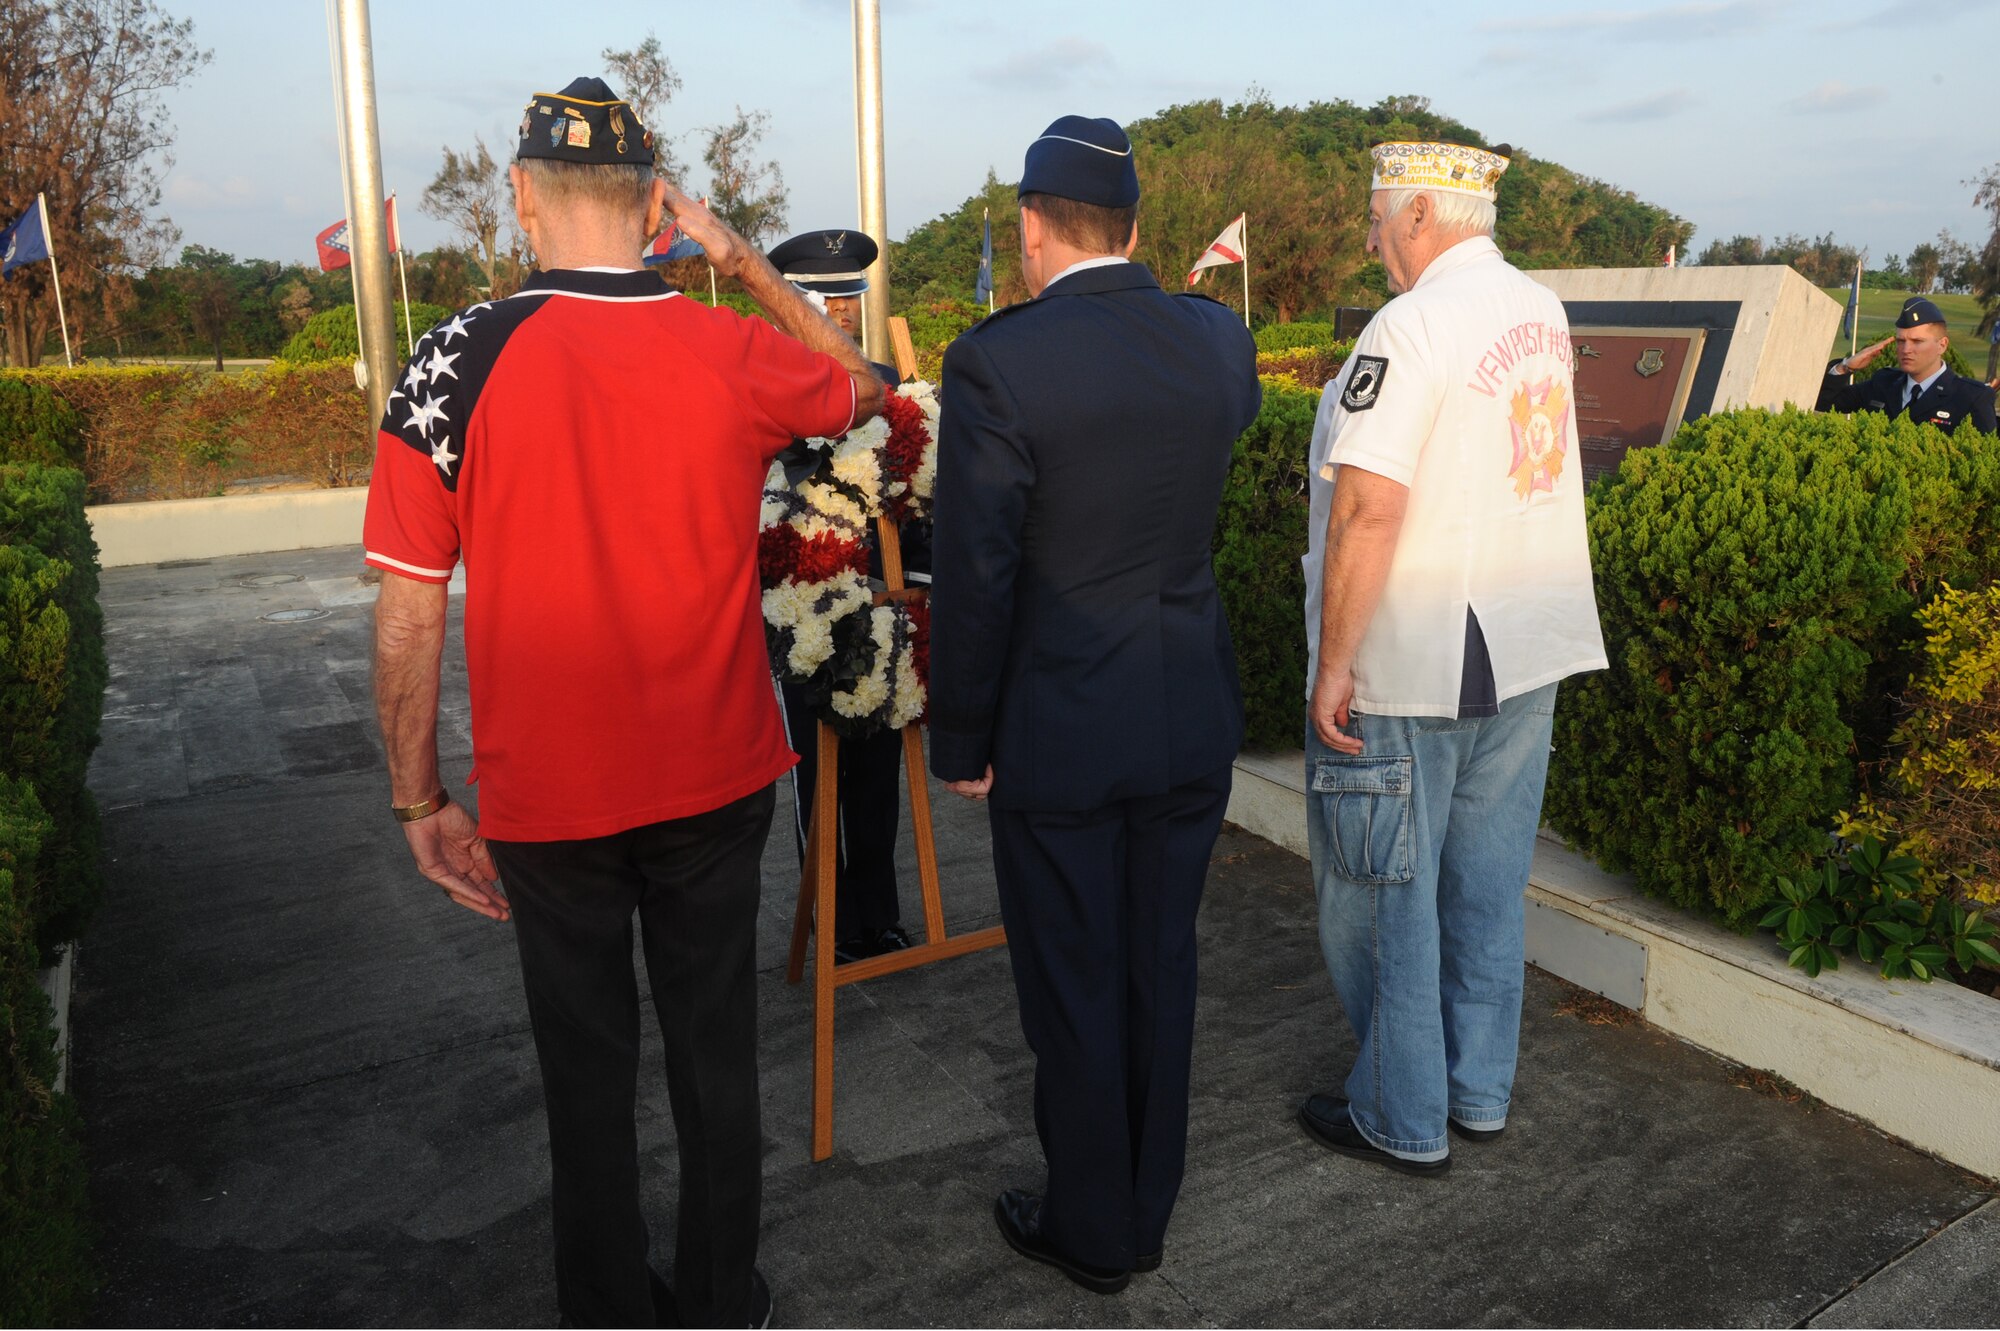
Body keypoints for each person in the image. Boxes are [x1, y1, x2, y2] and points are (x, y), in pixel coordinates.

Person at [364, 76, 884, 1329]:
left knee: (583, 1080)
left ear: (519, 194)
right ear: (655, 203)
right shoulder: (730, 345)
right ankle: (717, 1301)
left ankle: (602, 1305)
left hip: (551, 800)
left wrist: (417, 793)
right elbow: (862, 382)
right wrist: (738, 257)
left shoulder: (454, 360)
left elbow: (408, 605)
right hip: (714, 779)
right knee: (715, 1065)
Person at [927, 114, 1261, 1294]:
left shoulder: (998, 362)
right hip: (1185, 711)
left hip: (1059, 727)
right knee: (1156, 967)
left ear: (1030, 230)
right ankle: (1143, 1208)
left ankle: (1091, 1224)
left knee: (1072, 978)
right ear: (1132, 225)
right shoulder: (1218, 344)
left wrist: (957, 736)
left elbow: (975, 573)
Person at [1298, 141, 1607, 1176]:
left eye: (1378, 215)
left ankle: (1401, 1109)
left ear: (1421, 214)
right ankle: (1473, 1089)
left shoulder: (1411, 322)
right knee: (1481, 887)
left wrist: (1332, 662)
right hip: (1526, 647)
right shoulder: (1538, 309)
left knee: (1378, 888)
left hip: (1418, 656)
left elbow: (1367, 509)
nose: (1373, 236)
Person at [764, 228, 923, 963]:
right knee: (817, 777)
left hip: (878, 601)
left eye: (850, 297)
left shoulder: (886, 386)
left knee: (877, 778)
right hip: (803, 613)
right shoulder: (766, 386)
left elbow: (915, 496)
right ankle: (827, 919)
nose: (844, 312)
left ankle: (879, 919)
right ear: (794, 303)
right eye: (828, 299)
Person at [1816, 296, 1997, 434]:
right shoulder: (1883, 383)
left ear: (1942, 345)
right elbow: (1825, 402)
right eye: (1901, 341)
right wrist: (1847, 366)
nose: (1906, 349)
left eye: (1917, 341)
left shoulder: (1971, 397)